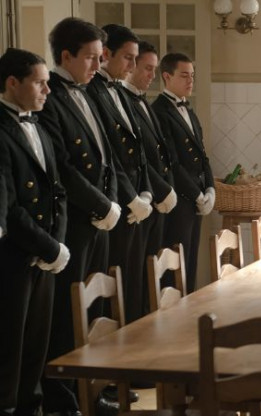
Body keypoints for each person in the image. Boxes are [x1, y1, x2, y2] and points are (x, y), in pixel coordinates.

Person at [37, 17, 120, 416]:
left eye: (100, 57)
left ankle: (93, 389)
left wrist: (113, 202)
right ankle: (64, 397)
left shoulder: (88, 92)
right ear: (66, 56)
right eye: (90, 57)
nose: (97, 65)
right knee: (69, 314)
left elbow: (107, 156)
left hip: (99, 219)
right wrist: (100, 205)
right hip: (74, 221)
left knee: (94, 310)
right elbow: (62, 167)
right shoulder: (50, 97)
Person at [0, 48, 68, 416]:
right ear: (13, 83)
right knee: (11, 347)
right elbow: (9, 208)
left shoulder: (39, 125)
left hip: (44, 254)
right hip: (14, 255)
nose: (47, 90)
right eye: (39, 83)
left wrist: (57, 244)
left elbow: (57, 190)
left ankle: (33, 408)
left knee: (37, 345)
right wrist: (47, 246)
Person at [87, 24, 153, 323]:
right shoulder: (93, 90)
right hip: (118, 202)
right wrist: (130, 198)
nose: (132, 65)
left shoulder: (122, 92)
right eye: (128, 58)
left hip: (137, 201)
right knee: (114, 291)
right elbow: (110, 154)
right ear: (106, 53)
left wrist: (146, 192)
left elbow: (139, 150)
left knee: (134, 283)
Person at [121, 40, 177, 318]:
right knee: (135, 279)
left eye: (155, 69)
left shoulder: (143, 101)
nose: (152, 76)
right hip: (141, 199)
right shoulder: (124, 103)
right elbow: (136, 156)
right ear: (131, 67)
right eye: (147, 68)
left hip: (155, 199)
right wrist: (156, 190)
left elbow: (159, 152)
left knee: (151, 274)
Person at [151, 52, 214, 292]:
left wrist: (210, 188)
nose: (190, 81)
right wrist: (196, 194)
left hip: (197, 197)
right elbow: (171, 163)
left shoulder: (189, 110)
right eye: (184, 75)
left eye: (192, 76)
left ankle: (190, 308)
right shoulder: (159, 111)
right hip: (178, 199)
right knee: (175, 267)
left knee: (190, 262)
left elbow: (203, 155)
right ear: (167, 76)